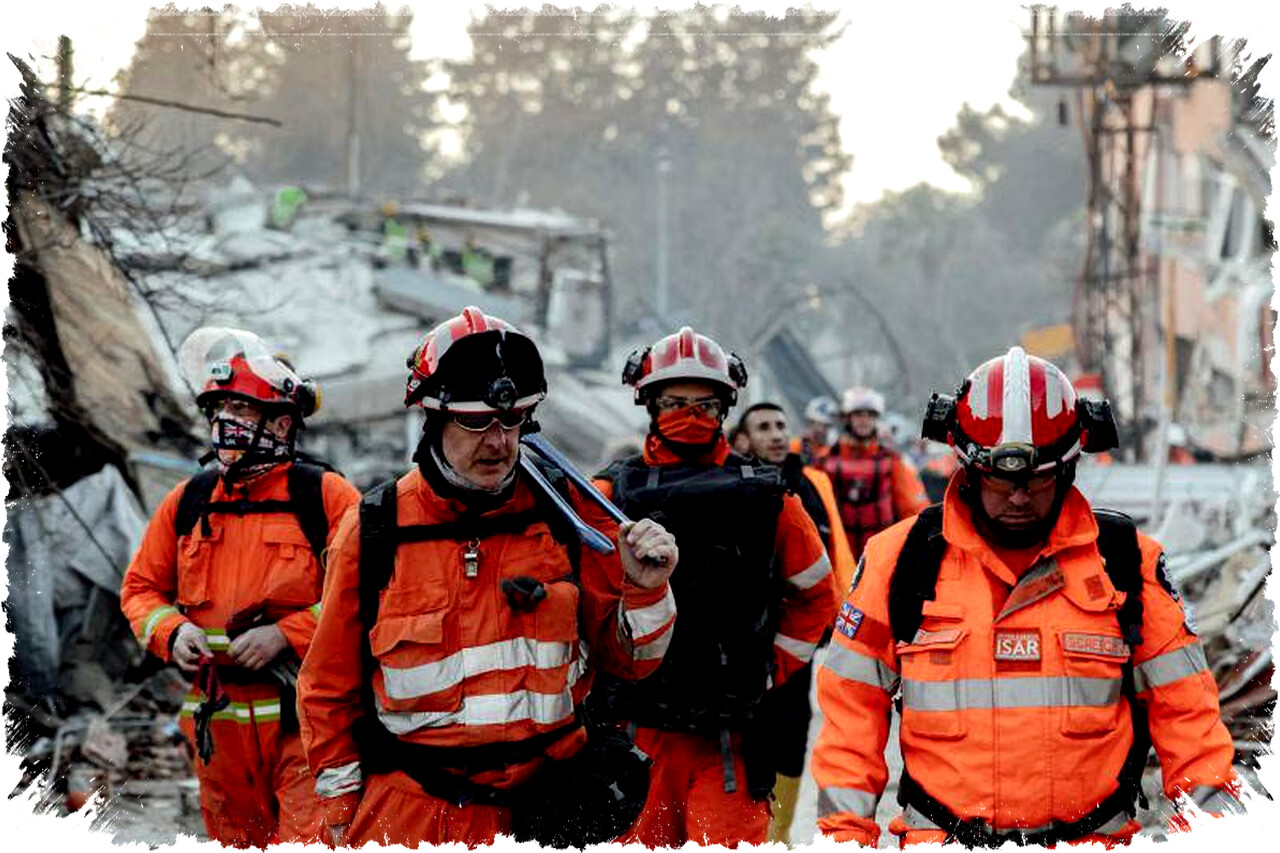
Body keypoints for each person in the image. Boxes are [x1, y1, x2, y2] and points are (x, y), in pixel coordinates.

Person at [812, 346, 1244, 847]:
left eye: (1037, 479)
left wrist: (1218, 840)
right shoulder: (900, 562)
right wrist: (841, 839)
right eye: (1001, 479)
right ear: (967, 467)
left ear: (1069, 467)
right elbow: (848, 723)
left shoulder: (1127, 565)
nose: (1018, 496)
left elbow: (1189, 721)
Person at [295, 306, 679, 848]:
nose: (498, 442)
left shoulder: (565, 516)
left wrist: (645, 590)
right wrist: (337, 816)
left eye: (512, 420)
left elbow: (632, 663)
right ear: (433, 418)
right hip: (414, 816)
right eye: (475, 422)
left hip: (554, 810)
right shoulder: (375, 529)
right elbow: (327, 690)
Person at [592, 327, 837, 848]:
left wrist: (771, 669)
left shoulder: (770, 497)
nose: (690, 414)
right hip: (636, 731)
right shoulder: (610, 494)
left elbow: (818, 594)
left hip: (731, 737)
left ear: (725, 407)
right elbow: (580, 603)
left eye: (704, 404)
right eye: (675, 401)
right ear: (649, 403)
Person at [121, 328, 361, 847]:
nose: (225, 425)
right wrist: (171, 630)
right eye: (218, 411)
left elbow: (372, 596)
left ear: (280, 422)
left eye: (242, 412)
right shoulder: (189, 501)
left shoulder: (324, 497)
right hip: (219, 732)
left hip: (306, 722)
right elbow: (140, 588)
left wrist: (287, 634)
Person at [735, 401, 855, 844]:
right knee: (747, 739)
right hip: (743, 639)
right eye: (764, 426)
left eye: (782, 424)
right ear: (742, 439)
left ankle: (777, 835)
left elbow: (834, 549)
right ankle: (746, 830)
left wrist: (842, 615)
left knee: (793, 733)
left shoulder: (811, 483)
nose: (776, 433)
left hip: (798, 637)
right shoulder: (732, 483)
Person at [821, 385, 928, 559]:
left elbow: (912, 506)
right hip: (841, 553)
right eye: (858, 414)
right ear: (848, 418)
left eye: (869, 415)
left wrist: (919, 541)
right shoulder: (827, 459)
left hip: (880, 552)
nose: (864, 420)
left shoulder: (890, 459)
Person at [793, 394, 837, 464]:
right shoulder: (794, 447)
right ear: (808, 422)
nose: (820, 429)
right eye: (815, 423)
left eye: (826, 425)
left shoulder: (830, 452)